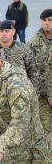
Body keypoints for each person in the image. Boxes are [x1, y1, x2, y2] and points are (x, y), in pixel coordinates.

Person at [0, 20, 41, 102]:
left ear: (13, 32)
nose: (4, 33)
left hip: (21, 97)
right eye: (1, 31)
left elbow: (34, 74)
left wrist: (33, 95)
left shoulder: (24, 49)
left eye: (7, 31)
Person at [28, 9, 52, 146]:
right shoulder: (33, 43)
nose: (47, 23)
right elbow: (29, 69)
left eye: (50, 20)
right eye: (44, 20)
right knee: (46, 130)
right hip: (42, 95)